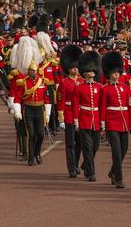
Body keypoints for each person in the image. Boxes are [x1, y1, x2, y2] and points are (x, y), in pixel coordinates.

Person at [100, 51, 131, 188]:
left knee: (124, 150)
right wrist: (102, 125)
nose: (116, 75)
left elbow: (129, 106)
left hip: (124, 122)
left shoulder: (125, 88)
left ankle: (113, 171)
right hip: (112, 123)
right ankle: (119, 178)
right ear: (109, 74)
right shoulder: (105, 89)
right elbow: (102, 108)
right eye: (114, 73)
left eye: (118, 72)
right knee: (116, 152)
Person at [73, 51, 102, 181]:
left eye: (92, 71)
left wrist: (102, 121)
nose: (91, 73)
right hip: (84, 119)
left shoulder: (99, 87)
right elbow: (75, 105)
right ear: (84, 73)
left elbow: (101, 105)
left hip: (95, 119)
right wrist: (76, 121)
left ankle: (86, 164)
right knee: (88, 148)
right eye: (89, 71)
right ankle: (90, 173)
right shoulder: (79, 87)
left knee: (95, 146)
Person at [57, 45, 83, 177]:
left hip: (81, 114)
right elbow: (60, 100)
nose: (76, 69)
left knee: (79, 143)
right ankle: (71, 167)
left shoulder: (83, 81)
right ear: (68, 68)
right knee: (70, 143)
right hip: (68, 114)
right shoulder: (64, 83)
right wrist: (61, 118)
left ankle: (76, 164)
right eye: (74, 67)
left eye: (77, 67)